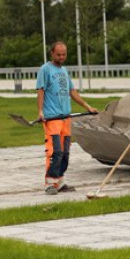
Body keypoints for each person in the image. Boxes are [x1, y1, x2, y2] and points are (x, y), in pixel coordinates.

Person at [36, 41, 96, 195]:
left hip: (66, 118)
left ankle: (60, 181)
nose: (62, 57)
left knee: (65, 153)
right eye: (58, 54)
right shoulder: (45, 69)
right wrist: (40, 111)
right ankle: (49, 183)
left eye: (64, 54)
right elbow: (41, 90)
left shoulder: (64, 70)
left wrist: (87, 107)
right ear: (52, 53)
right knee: (54, 152)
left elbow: (72, 91)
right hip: (53, 118)